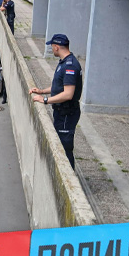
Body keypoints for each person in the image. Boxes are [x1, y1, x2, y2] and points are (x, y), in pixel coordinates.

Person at [29, 33, 83, 168]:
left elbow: (68, 94)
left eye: (52, 46)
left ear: (57, 47)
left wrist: (45, 100)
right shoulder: (64, 62)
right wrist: (41, 91)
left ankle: (69, 174)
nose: (51, 49)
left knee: (64, 148)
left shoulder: (70, 66)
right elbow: (59, 87)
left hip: (67, 114)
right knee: (60, 145)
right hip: (61, 113)